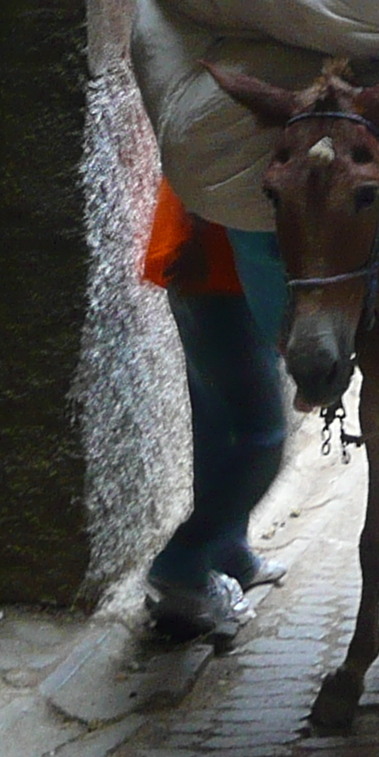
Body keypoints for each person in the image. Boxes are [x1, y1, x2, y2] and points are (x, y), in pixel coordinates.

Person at [140, 177, 291, 640]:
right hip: (218, 266)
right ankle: (182, 563)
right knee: (262, 435)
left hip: (209, 262)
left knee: (217, 424)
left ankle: (229, 555)